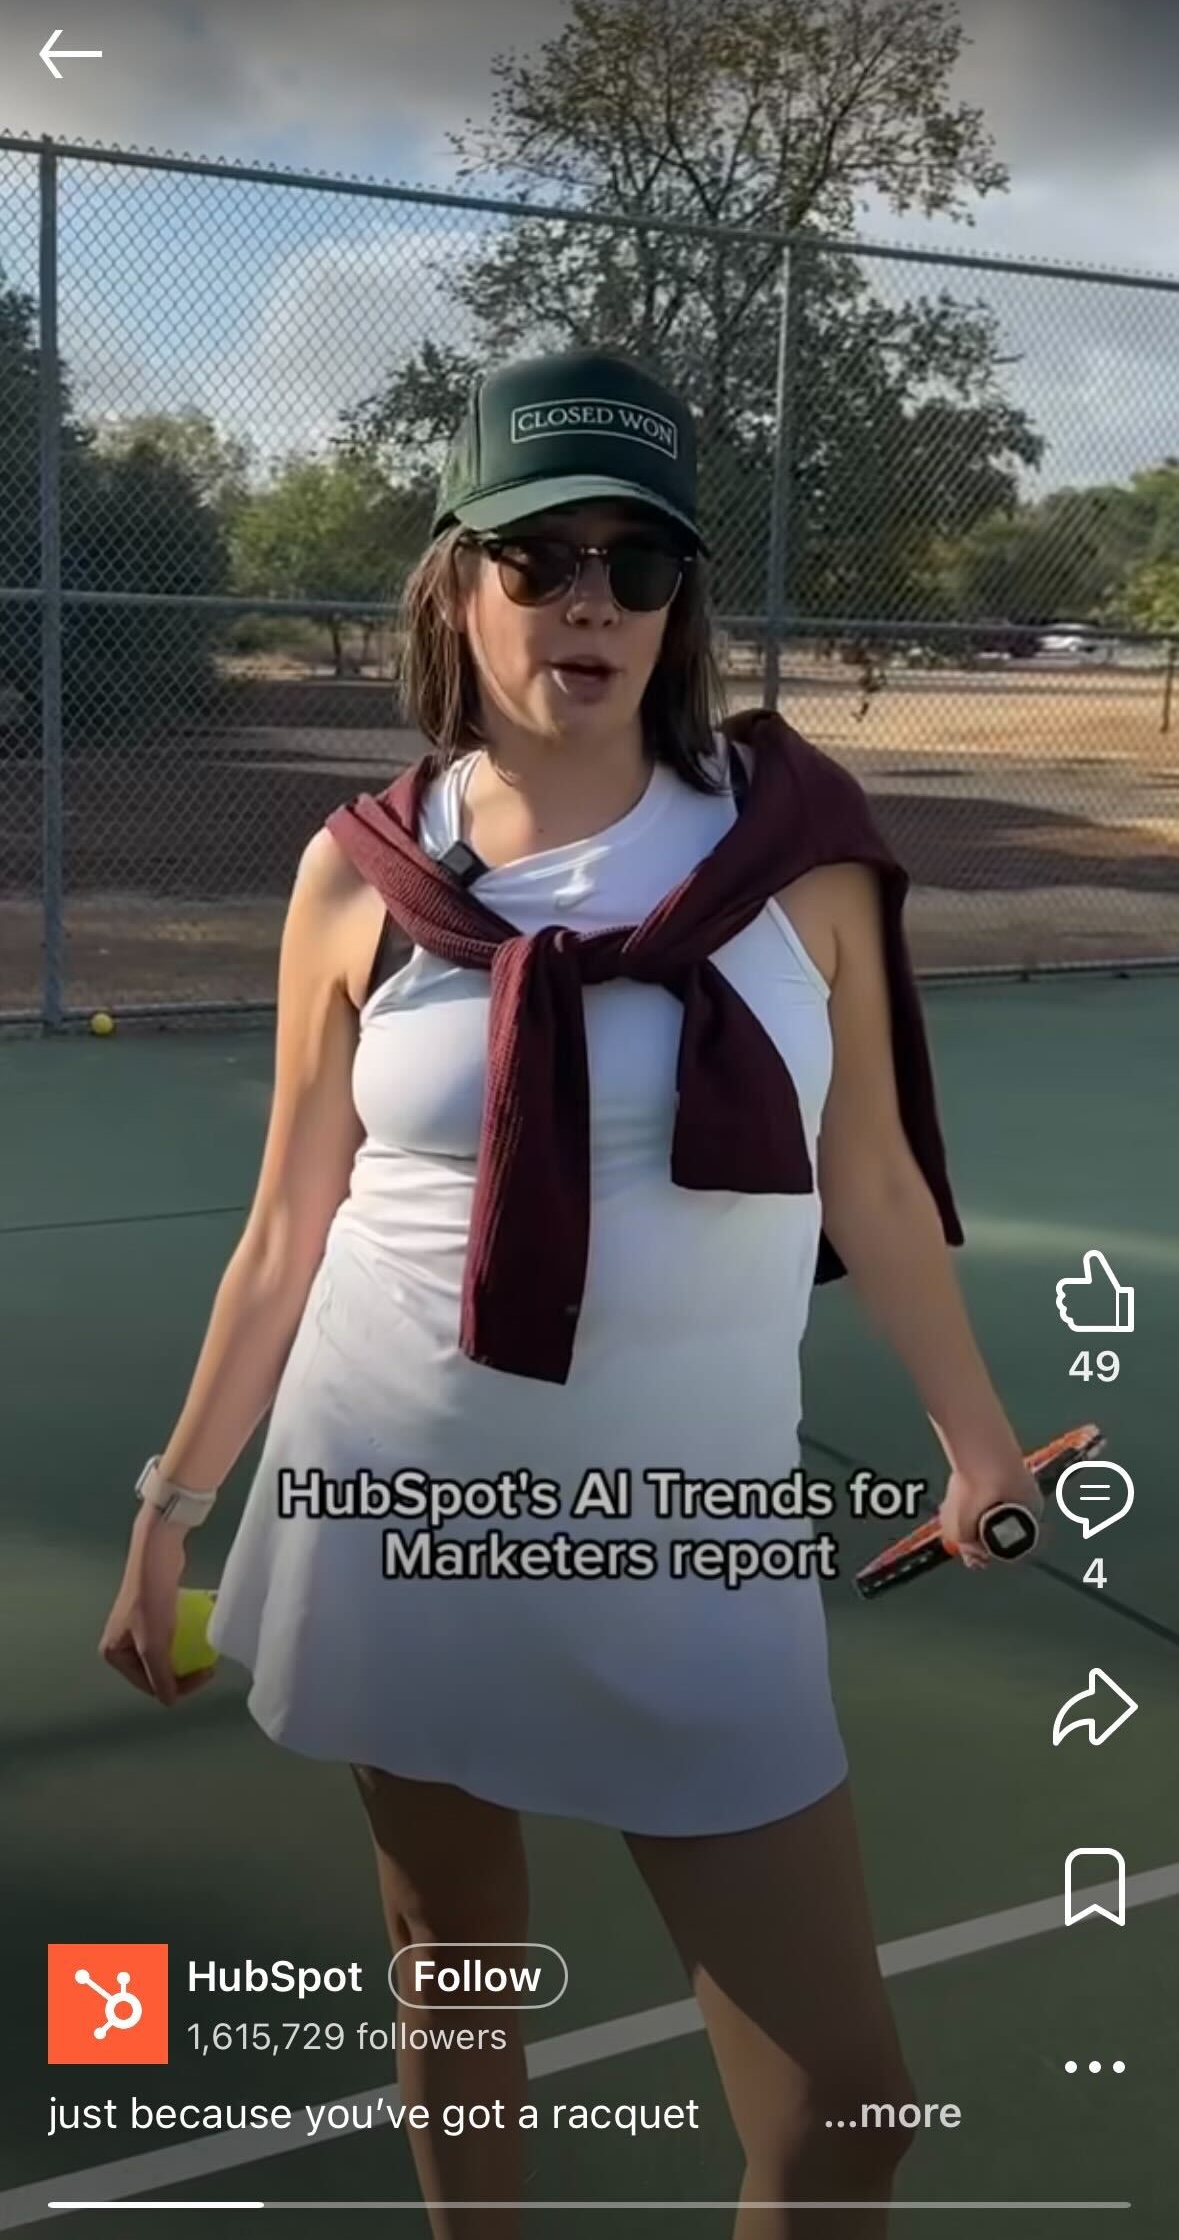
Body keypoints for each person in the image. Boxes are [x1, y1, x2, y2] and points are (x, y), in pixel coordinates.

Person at [100, 347, 1043, 2238]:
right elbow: (294, 1220)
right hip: (399, 1485)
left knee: (846, 2108)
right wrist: (170, 1507)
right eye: (540, 556)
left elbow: (875, 1181)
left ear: (681, 600)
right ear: (457, 585)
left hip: (687, 1528)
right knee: (455, 1951)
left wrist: (979, 1444)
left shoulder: (801, 857)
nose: (591, 598)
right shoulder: (357, 880)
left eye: (637, 559)